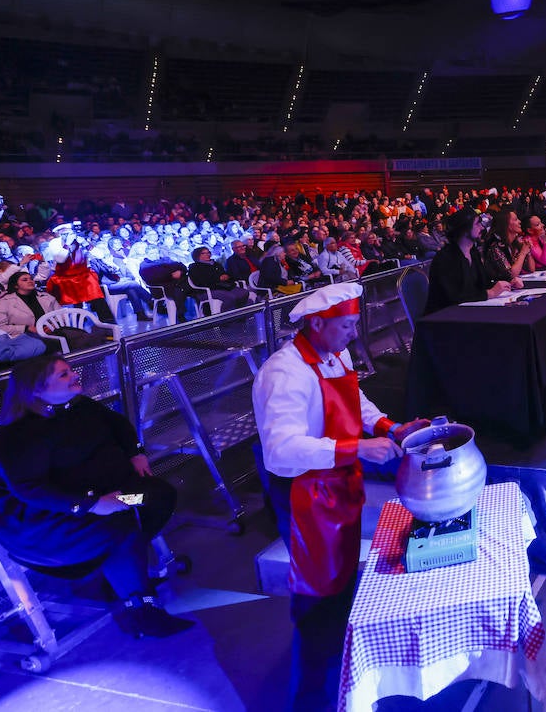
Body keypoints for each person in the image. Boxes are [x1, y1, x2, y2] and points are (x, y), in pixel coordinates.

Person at [251, 283, 429, 709]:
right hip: (304, 496)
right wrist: (357, 449)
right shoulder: (285, 373)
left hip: (337, 488)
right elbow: (280, 451)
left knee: (343, 590)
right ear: (316, 324)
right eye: (347, 325)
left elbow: (356, 401)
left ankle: (344, 683)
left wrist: (390, 428)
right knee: (317, 606)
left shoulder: (335, 354)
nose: (354, 333)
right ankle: (311, 700)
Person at [0, 356, 192, 638]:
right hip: (44, 522)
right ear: (37, 391)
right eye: (63, 375)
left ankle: (117, 562)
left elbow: (120, 426)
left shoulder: (76, 406)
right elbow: (29, 490)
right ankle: (143, 609)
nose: (74, 375)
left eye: (70, 371)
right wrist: (92, 505)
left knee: (154, 495)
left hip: (98, 499)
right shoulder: (20, 436)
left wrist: (135, 452)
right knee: (120, 528)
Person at [425, 209, 512, 313]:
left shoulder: (473, 253)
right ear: (464, 230)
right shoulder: (445, 258)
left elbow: (483, 283)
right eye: (477, 224)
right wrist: (490, 293)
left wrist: (505, 284)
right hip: (445, 317)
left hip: (468, 312)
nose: (482, 227)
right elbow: (453, 296)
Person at [188, 246, 253, 311]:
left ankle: (240, 313)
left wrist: (226, 276)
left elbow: (226, 274)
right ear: (197, 255)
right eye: (204, 253)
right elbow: (200, 282)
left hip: (223, 286)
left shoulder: (216, 264)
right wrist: (218, 279)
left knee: (244, 293)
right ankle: (227, 316)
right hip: (208, 290)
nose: (208, 254)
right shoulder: (195, 268)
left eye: (208, 252)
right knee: (230, 297)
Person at [480, 210, 531, 286]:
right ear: (506, 224)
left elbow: (531, 268)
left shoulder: (514, 243)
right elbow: (511, 274)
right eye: (516, 219)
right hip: (494, 290)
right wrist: (523, 253)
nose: (520, 221)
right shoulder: (495, 245)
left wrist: (528, 252)